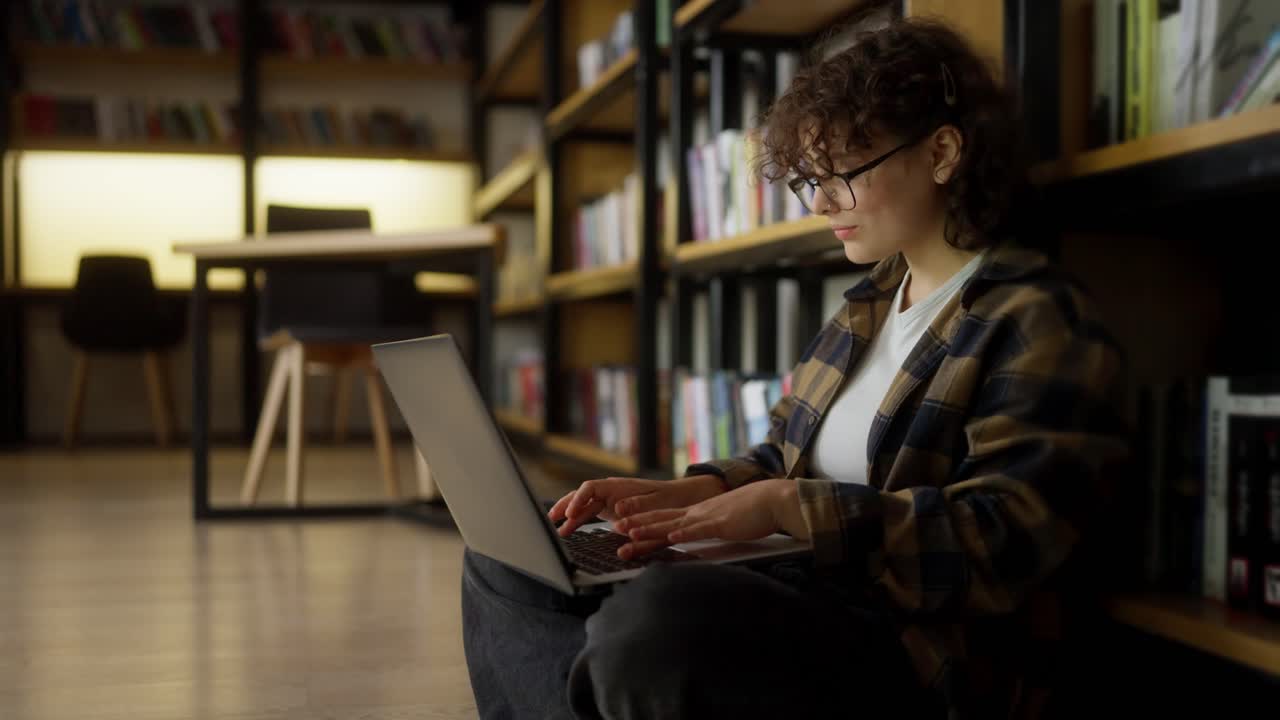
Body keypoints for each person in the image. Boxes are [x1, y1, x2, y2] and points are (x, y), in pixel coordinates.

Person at [462, 14, 1130, 720]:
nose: (819, 204)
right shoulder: (865, 307)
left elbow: (1000, 542)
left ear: (941, 152)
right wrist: (692, 494)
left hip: (914, 647)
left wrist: (789, 509)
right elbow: (784, 454)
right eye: (811, 178)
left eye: (843, 173)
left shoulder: (1037, 319)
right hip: (799, 587)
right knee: (515, 552)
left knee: (661, 618)